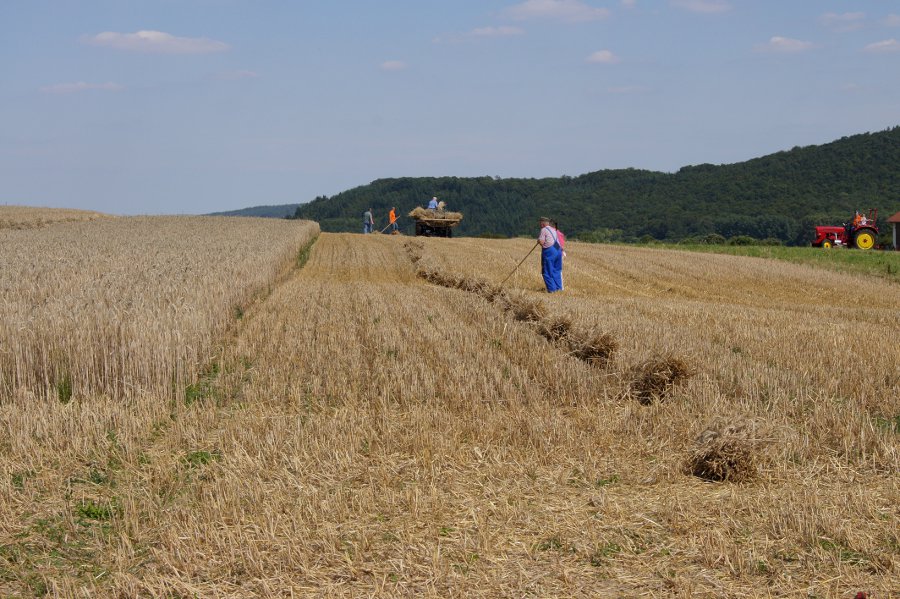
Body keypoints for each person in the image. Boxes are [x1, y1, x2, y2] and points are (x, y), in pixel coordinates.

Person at [538, 217, 563, 293]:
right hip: (558, 250)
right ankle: (559, 289)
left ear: (543, 223)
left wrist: (539, 240)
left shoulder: (543, 230)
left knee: (547, 271)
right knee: (556, 270)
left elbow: (542, 242)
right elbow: (556, 242)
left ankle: (552, 290)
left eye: (540, 223)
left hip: (550, 251)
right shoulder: (553, 230)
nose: (539, 225)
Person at [552, 220, 567, 290]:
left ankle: (560, 287)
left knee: (557, 270)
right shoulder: (560, 233)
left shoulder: (554, 233)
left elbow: (559, 246)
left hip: (557, 253)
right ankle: (559, 287)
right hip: (560, 252)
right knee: (557, 270)